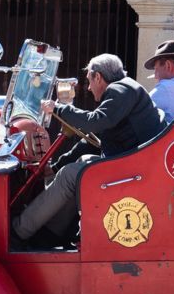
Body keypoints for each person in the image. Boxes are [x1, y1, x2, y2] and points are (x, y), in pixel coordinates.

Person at [11, 53, 163, 249]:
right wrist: (55, 166)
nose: (89, 88)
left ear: (98, 76)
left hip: (135, 168)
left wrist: (58, 109)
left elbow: (95, 122)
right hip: (133, 160)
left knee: (70, 175)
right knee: (82, 162)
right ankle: (49, 235)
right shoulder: (126, 89)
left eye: (90, 81)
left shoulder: (121, 90)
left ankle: (18, 231)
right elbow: (93, 141)